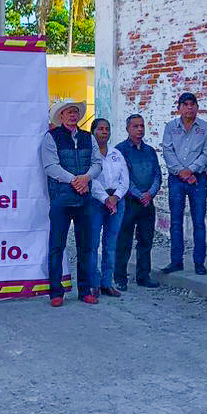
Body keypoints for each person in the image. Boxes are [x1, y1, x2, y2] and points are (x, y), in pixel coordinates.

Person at [40, 100, 102, 307]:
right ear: (61, 116)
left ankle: (84, 290)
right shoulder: (52, 137)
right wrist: (76, 180)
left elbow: (97, 163)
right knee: (57, 246)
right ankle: (56, 292)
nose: (72, 115)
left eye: (75, 112)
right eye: (68, 112)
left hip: (84, 199)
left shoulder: (88, 138)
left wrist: (86, 178)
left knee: (85, 247)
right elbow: (50, 167)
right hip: (61, 199)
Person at [161, 91, 207, 275]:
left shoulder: (205, 128)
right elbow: (167, 151)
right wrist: (182, 173)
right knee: (175, 221)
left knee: (199, 221)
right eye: (186, 104)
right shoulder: (170, 127)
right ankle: (176, 261)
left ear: (197, 107)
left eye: (193, 104)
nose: (189, 107)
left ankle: (199, 263)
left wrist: (190, 171)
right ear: (179, 108)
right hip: (176, 179)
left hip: (197, 179)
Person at [114, 115, 161, 289]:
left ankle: (143, 276)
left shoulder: (149, 151)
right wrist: (139, 194)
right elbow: (124, 177)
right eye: (135, 126)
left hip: (148, 203)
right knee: (124, 241)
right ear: (128, 129)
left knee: (146, 241)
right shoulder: (120, 151)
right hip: (128, 203)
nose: (140, 129)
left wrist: (150, 193)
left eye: (142, 126)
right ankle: (120, 278)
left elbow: (157, 174)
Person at [91, 118, 128, 298]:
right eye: (100, 129)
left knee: (111, 244)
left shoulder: (116, 154)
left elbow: (125, 179)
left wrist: (115, 197)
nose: (104, 132)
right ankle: (94, 283)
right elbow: (91, 179)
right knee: (92, 244)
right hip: (97, 201)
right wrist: (106, 198)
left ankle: (108, 282)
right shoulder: (90, 154)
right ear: (93, 132)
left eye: (107, 129)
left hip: (117, 201)